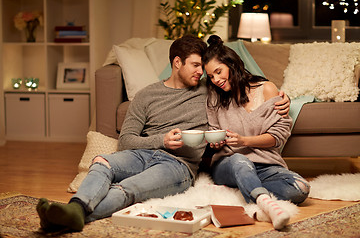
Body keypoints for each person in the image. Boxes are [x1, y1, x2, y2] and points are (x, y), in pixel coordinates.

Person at [36, 35, 291, 232]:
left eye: (203, 68)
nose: (201, 73)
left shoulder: (209, 89)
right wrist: (162, 140)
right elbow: (125, 141)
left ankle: (70, 215)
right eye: (194, 66)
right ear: (176, 63)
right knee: (102, 162)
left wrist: (283, 97)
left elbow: (241, 86)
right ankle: (76, 210)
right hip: (142, 154)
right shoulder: (146, 95)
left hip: (177, 165)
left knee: (127, 188)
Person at [202, 35, 310, 230]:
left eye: (218, 71)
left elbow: (277, 137)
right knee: (240, 161)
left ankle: (242, 188)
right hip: (229, 164)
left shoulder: (266, 89)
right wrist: (215, 142)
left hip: (264, 164)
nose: (216, 80)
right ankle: (266, 205)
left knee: (301, 189)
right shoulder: (214, 98)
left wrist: (244, 140)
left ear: (232, 64)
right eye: (211, 76)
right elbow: (213, 131)